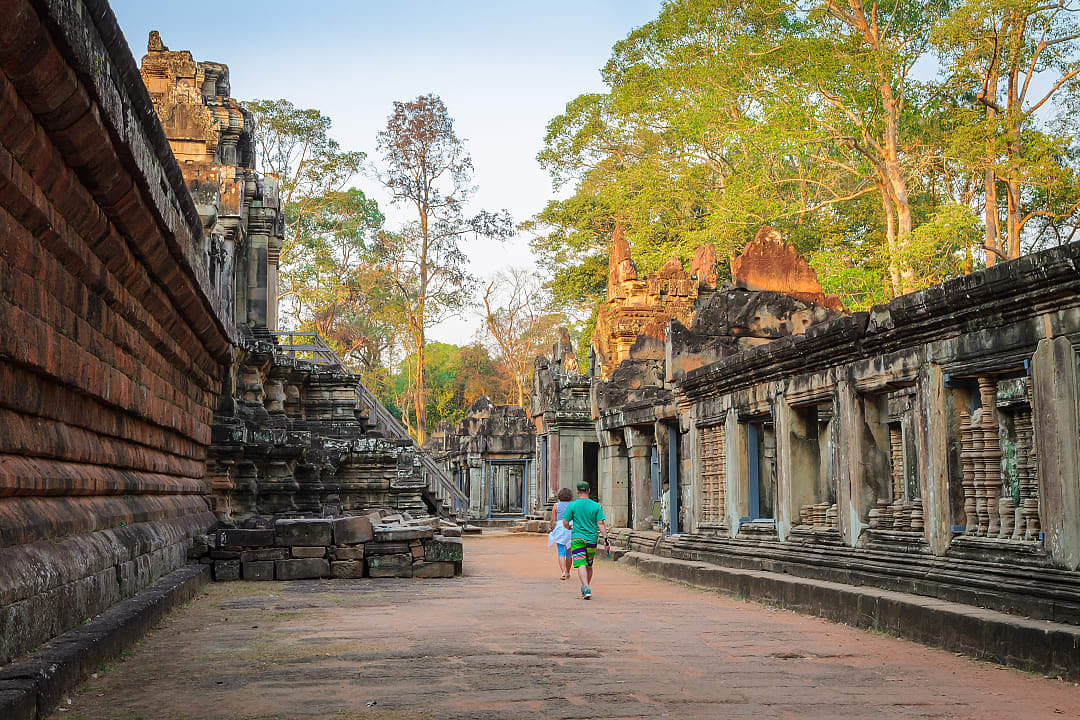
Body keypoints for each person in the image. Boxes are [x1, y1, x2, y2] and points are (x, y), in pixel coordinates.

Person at [562, 481, 609, 600]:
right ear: (588, 491)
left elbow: (565, 522)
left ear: (577, 492)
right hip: (591, 538)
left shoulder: (572, 505)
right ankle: (586, 586)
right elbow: (601, 523)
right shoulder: (596, 506)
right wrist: (606, 539)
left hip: (577, 537)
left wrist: (569, 528)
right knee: (589, 564)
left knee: (581, 563)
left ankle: (585, 587)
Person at [547, 488, 574, 579]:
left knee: (561, 552)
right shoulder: (573, 505)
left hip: (560, 528)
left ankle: (563, 572)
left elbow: (552, 519)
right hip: (571, 528)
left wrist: (551, 528)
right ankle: (568, 571)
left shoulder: (556, 505)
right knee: (569, 553)